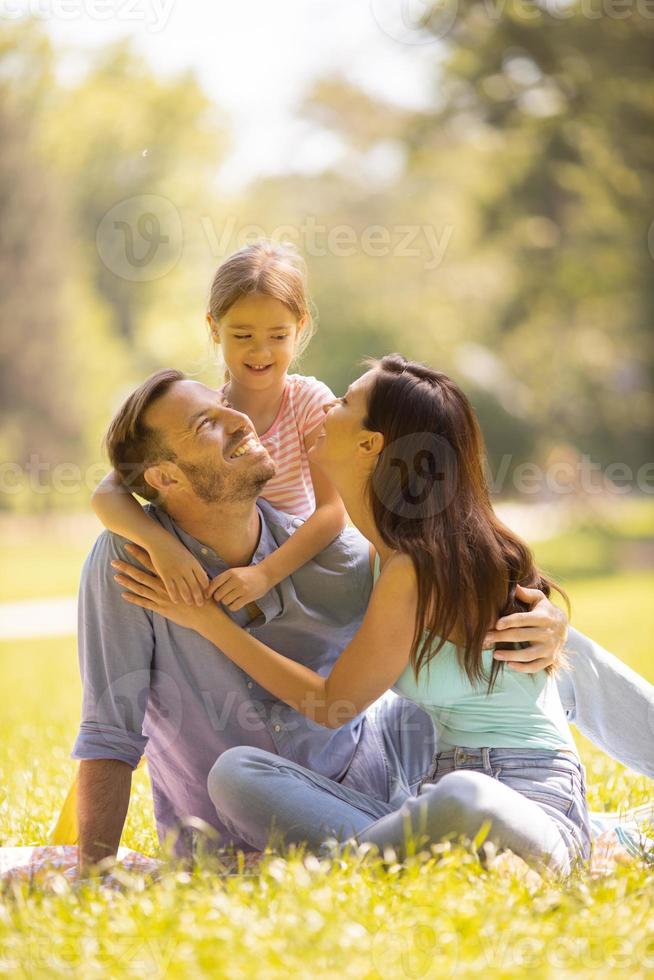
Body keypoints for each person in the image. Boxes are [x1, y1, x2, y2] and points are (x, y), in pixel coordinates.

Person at [81, 368, 654, 875]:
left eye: (342, 406)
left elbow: (336, 699)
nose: (321, 408)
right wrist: (153, 536)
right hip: (376, 799)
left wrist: (551, 623)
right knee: (237, 774)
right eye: (207, 421)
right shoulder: (373, 556)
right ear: (163, 479)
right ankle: (409, 844)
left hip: (500, 791)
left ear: (372, 445)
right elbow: (118, 482)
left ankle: (360, 859)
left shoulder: (375, 562)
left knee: (471, 780)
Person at [91, 240, 346, 611]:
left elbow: (332, 513)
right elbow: (106, 494)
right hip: (224, 567)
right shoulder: (205, 415)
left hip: (291, 569)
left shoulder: (307, 402)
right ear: (214, 327)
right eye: (243, 336)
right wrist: (163, 547)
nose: (260, 352)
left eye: (278, 336)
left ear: (300, 327)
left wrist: (264, 574)